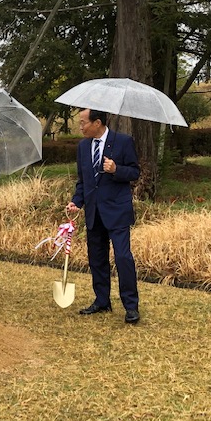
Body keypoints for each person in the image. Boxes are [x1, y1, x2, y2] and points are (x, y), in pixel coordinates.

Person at [66, 108, 141, 324]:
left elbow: (134, 172)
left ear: (97, 122)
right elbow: (83, 181)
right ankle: (101, 301)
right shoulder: (83, 146)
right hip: (93, 212)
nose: (80, 126)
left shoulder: (123, 142)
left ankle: (131, 306)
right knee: (97, 259)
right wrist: (76, 201)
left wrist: (116, 169)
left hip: (117, 212)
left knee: (123, 257)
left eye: (82, 122)